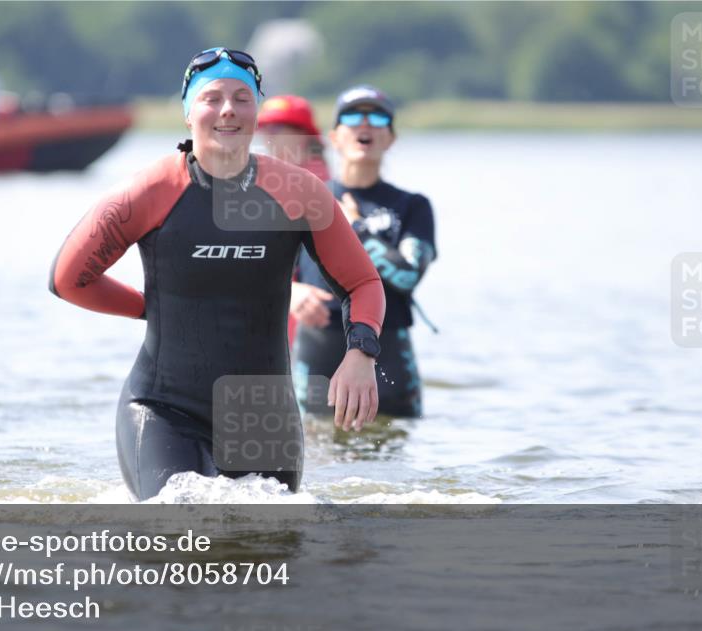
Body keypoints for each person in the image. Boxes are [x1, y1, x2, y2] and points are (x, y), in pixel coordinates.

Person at [49, 48, 385, 501]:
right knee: (175, 526)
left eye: (242, 98)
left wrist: (360, 353)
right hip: (164, 409)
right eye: (212, 98)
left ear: (257, 112)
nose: (228, 109)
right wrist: (147, 308)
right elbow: (69, 279)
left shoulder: (297, 193)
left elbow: (363, 283)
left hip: (263, 417)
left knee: (267, 548)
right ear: (189, 113)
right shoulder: (149, 191)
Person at [291, 85, 437, 418]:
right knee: (314, 455)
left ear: (391, 138)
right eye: (353, 117)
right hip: (315, 352)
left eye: (378, 117)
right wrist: (290, 292)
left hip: (389, 360)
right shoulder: (306, 197)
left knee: (394, 460)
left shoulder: (413, 206)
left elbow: (408, 274)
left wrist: (354, 226)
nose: (365, 125)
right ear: (335, 137)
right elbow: (262, 270)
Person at [255, 94, 331, 347]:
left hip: (309, 314)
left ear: (302, 134)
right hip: (284, 307)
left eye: (276, 128)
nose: (267, 137)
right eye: (264, 129)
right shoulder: (272, 183)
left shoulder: (319, 185)